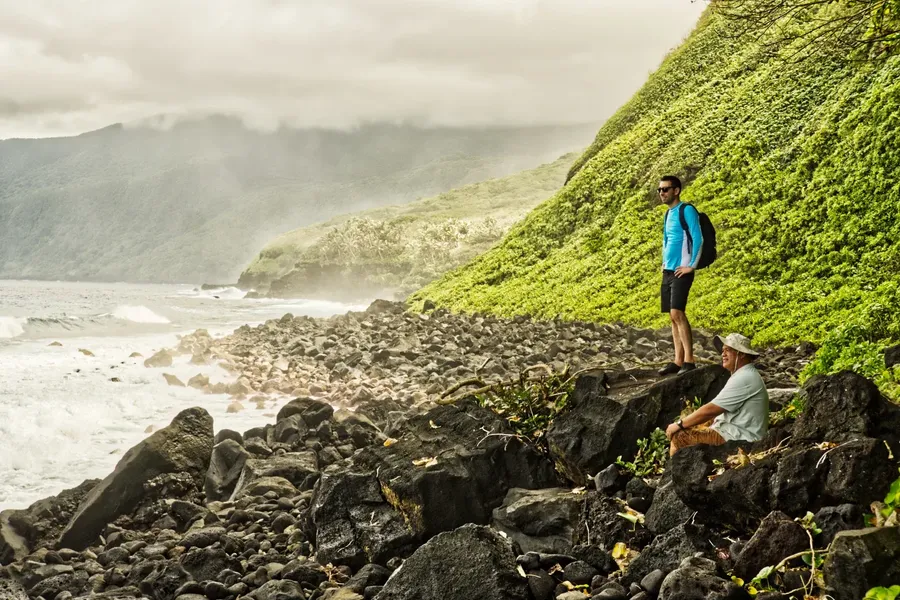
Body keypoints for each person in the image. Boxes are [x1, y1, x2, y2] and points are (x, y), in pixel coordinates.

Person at [665, 333, 769, 456]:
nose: (723, 354)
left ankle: (673, 473)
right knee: (692, 425)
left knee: (679, 436)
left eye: (728, 350)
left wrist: (680, 424)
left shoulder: (745, 377)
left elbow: (712, 409)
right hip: (734, 430)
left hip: (741, 437)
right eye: (723, 350)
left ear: (741, 354)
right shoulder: (744, 374)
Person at [656, 176, 704, 376]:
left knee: (678, 313)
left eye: (665, 189)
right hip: (668, 270)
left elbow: (698, 238)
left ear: (676, 190)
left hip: (681, 270)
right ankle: (678, 360)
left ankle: (689, 361)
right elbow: (667, 241)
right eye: (659, 190)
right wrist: (663, 262)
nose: (661, 193)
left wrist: (691, 266)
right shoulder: (668, 214)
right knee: (672, 316)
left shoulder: (687, 210)